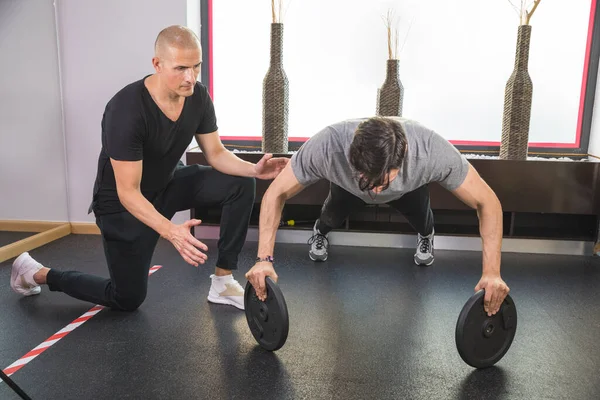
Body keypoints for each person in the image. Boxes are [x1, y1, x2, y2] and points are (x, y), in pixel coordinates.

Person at [10, 25, 288, 312]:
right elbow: (128, 192)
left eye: (196, 66)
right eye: (180, 68)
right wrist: (172, 231)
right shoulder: (126, 109)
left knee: (240, 182)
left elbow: (215, 153)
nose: (190, 77)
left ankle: (222, 281)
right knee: (126, 298)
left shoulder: (198, 96)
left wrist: (254, 170)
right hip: (122, 207)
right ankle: (35, 272)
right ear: (157, 64)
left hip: (167, 184)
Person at [246, 116, 510, 317]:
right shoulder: (328, 146)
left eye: (382, 181)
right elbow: (275, 193)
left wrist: (492, 273)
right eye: (367, 179)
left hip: (409, 189)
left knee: (422, 218)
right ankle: (320, 232)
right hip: (348, 188)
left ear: (403, 157)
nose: (374, 189)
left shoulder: (429, 151)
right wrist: (263, 260)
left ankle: (426, 235)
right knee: (330, 215)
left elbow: (487, 202)